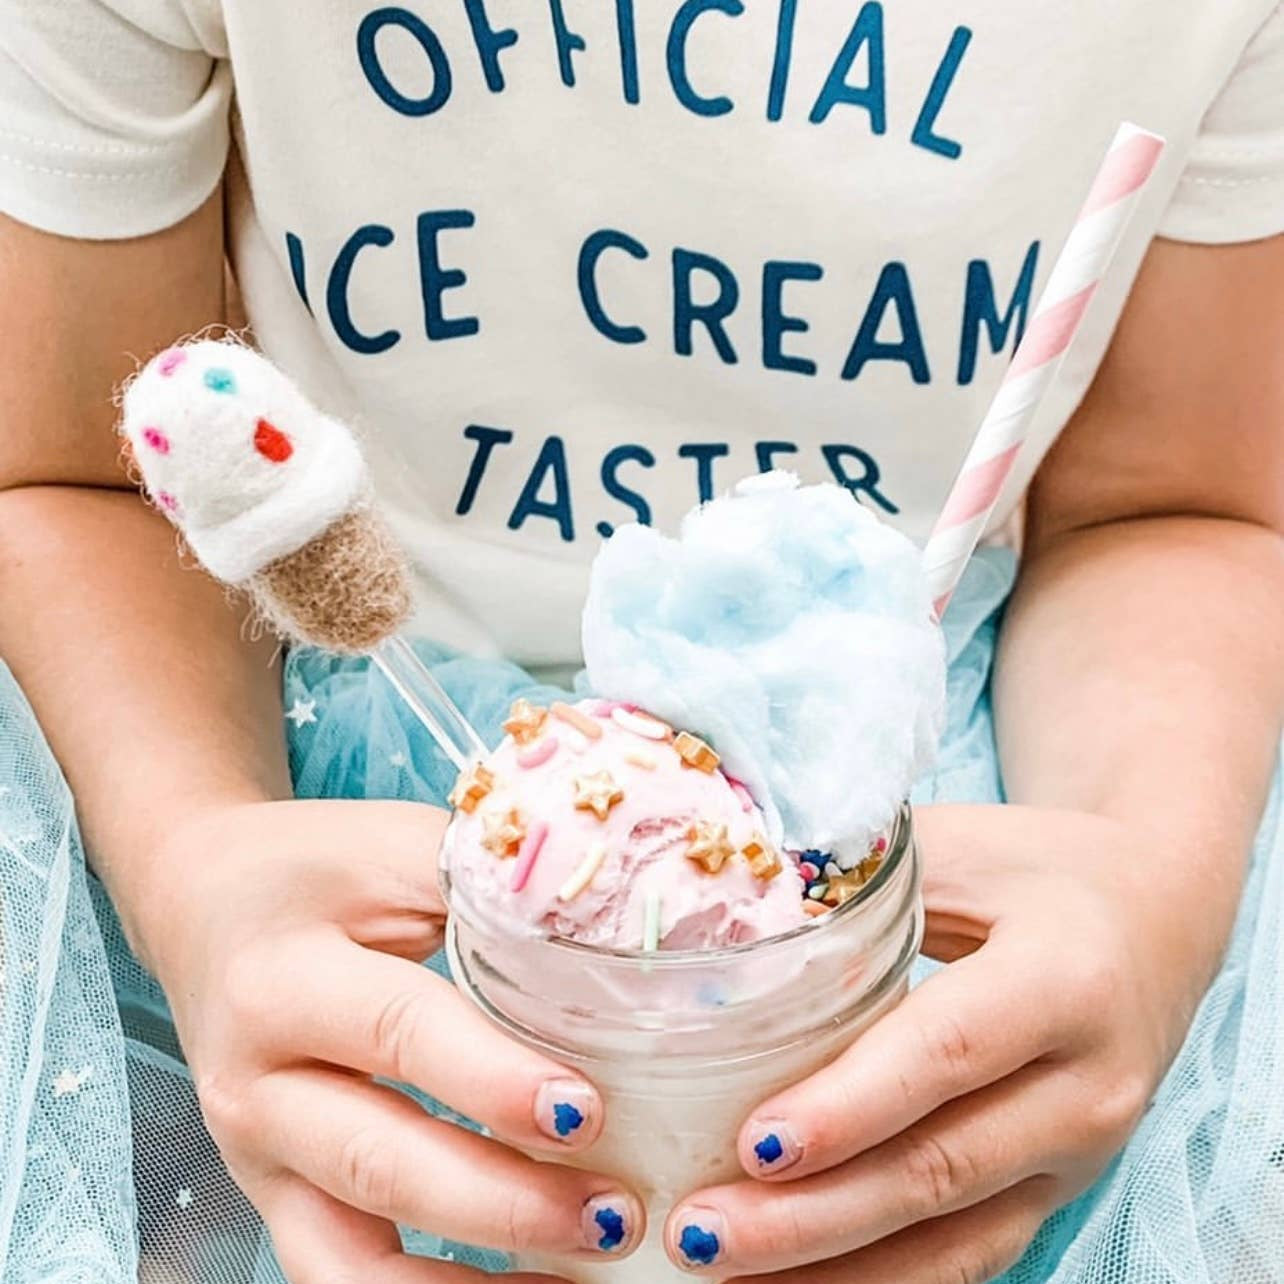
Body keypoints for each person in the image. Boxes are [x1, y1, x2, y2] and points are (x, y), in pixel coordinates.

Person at [1, 3, 1282, 1282]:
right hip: (278, 786)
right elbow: (75, 473)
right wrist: (190, 871)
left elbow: (1169, 501)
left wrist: (1150, 900)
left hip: (963, 787)